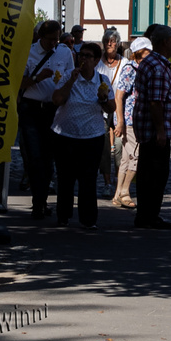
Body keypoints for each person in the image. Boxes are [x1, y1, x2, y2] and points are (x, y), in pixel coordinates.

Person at [50, 41, 114, 230]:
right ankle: (63, 215)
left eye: (87, 56)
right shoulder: (68, 77)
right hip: (65, 134)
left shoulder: (102, 80)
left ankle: (88, 219)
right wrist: (71, 80)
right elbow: (57, 100)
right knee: (65, 178)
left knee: (88, 179)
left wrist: (103, 99)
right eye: (81, 55)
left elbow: (112, 108)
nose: (83, 59)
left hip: (91, 136)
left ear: (95, 61)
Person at [18, 20, 74, 218]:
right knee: (34, 157)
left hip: (53, 109)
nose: (53, 43)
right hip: (31, 109)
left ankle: (42, 201)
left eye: (56, 39)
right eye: (50, 40)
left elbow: (70, 76)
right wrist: (37, 78)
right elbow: (18, 83)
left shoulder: (64, 52)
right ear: (40, 37)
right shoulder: (28, 52)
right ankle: (37, 202)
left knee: (49, 157)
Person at [130, 24, 171, 229]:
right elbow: (155, 101)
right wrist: (161, 131)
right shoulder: (157, 66)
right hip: (154, 132)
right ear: (163, 42)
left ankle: (147, 214)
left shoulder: (155, 62)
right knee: (155, 174)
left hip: (150, 129)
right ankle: (148, 216)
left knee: (149, 173)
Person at [111, 36, 149, 209]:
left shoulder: (142, 68)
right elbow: (119, 96)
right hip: (130, 119)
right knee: (136, 155)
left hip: (136, 118)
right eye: (148, 52)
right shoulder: (130, 69)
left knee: (126, 158)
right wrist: (120, 122)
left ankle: (118, 193)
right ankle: (125, 192)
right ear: (140, 53)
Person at [96, 34, 129, 193]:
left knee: (118, 147)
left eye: (112, 41)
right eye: (106, 41)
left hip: (118, 108)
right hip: (100, 108)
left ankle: (118, 180)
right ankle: (107, 183)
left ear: (117, 44)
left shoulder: (124, 63)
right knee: (103, 148)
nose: (109, 43)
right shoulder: (97, 63)